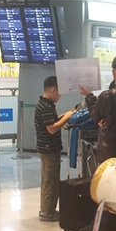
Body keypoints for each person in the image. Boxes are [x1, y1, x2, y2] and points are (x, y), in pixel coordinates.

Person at [34, 76, 75, 222]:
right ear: (52, 90)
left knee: (50, 179)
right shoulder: (45, 107)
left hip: (47, 148)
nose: (60, 96)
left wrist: (65, 115)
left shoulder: (45, 105)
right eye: (59, 92)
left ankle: (48, 209)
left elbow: (51, 120)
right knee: (50, 181)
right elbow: (51, 128)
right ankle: (47, 212)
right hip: (48, 149)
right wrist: (68, 117)